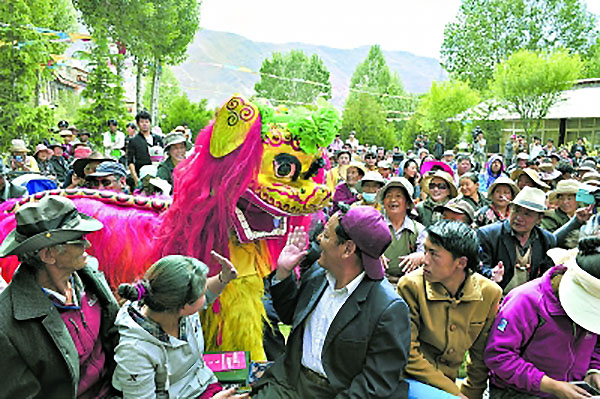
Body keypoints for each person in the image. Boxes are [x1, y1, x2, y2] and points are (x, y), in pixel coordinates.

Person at [252, 206, 411, 398]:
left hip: (338, 393)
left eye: (326, 236)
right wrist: (284, 273)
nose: (318, 240)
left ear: (347, 249)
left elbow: (375, 382)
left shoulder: (388, 309)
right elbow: (290, 316)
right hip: (291, 382)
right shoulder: (318, 275)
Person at [0, 196, 120, 398]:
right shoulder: (7, 327)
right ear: (48, 255)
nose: (88, 245)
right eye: (78, 240)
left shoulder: (90, 278)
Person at [112, 254, 247, 399]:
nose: (206, 291)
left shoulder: (172, 307)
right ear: (184, 306)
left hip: (201, 385)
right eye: (201, 293)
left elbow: (206, 295)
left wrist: (223, 278)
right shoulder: (134, 353)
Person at [484, 233, 600, 399]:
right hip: (517, 392)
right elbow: (499, 356)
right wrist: (551, 386)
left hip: (573, 390)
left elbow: (597, 341)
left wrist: (594, 369)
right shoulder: (526, 301)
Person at [397, 220, 502, 399]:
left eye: (434, 254)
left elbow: (479, 358)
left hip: (451, 386)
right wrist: (454, 394)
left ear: (461, 263)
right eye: (425, 251)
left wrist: (471, 394)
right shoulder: (411, 286)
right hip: (410, 382)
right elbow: (409, 355)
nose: (425, 260)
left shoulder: (489, 293)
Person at [478, 187, 556, 293]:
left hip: (529, 299)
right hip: (497, 297)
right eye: (516, 210)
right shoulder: (488, 235)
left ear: (539, 218)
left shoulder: (547, 240)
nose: (519, 217)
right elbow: (478, 269)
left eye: (527, 214)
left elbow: (547, 275)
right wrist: (491, 273)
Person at [378, 177, 426, 283]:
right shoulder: (375, 227)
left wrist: (420, 256)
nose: (393, 200)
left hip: (409, 283)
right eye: (388, 196)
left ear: (408, 203)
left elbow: (427, 254)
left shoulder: (418, 230)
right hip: (379, 283)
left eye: (398, 196)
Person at [541, 179, 581, 249]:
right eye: (561, 198)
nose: (565, 202)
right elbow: (548, 242)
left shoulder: (584, 215)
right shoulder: (551, 217)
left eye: (569, 198)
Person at [128, 110, 164, 188]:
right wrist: (136, 179)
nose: (144, 124)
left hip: (157, 176)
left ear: (150, 123)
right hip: (142, 175)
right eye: (142, 122)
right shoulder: (133, 141)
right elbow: (130, 161)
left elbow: (164, 156)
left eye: (147, 122)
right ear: (137, 124)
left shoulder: (158, 138)